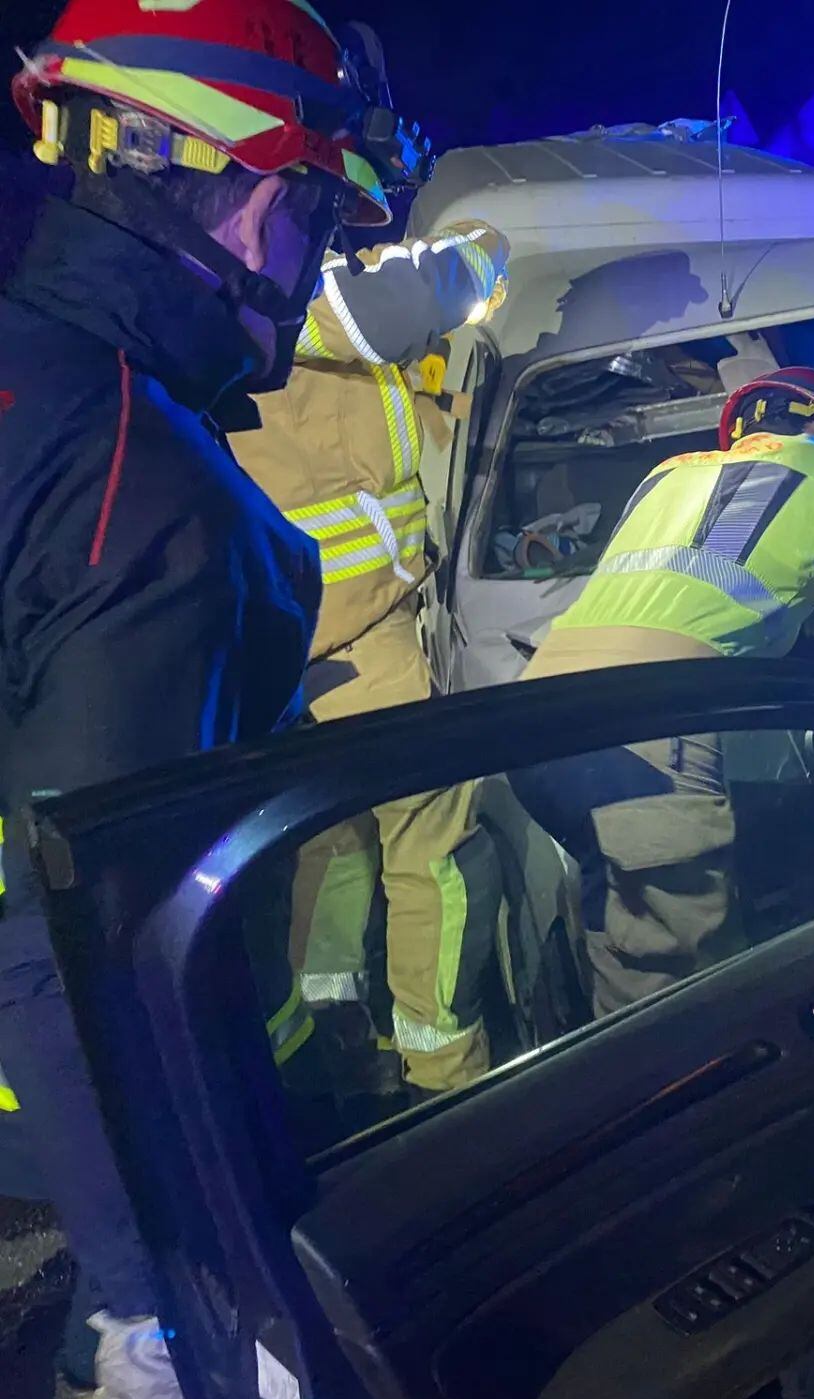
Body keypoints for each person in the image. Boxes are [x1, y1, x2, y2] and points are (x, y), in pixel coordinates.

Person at [0, 0, 401, 1399]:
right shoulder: (149, 491)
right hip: (138, 1156)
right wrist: (152, 1301)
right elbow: (79, 953)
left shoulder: (36, 379)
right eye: (317, 216)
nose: (315, 263)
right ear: (244, 192)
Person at [510, 368, 814, 1017]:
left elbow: (797, 634)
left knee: (622, 946)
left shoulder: (670, 477)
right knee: (691, 998)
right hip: (643, 735)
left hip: (531, 725)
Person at [229, 213, 510, 1095]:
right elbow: (414, 297)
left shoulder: (217, 300)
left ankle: (331, 1031)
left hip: (284, 634)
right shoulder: (295, 286)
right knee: (438, 843)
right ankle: (445, 1069)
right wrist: (482, 243)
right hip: (355, 625)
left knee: (333, 833)